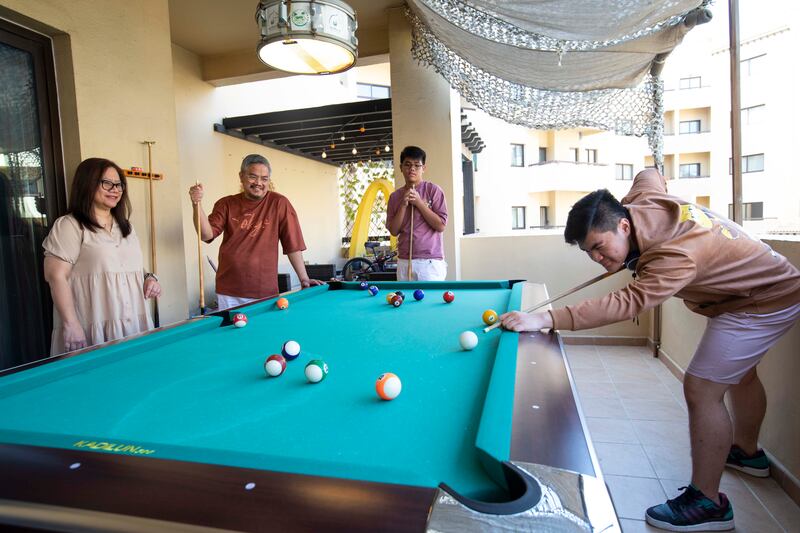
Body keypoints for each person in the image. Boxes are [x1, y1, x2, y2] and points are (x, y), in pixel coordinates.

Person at [500, 168, 800, 532]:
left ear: (623, 227)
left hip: (762, 299)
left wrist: (547, 318)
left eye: (599, 246)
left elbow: (627, 302)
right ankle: (748, 455)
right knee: (739, 374)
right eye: (588, 251)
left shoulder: (673, 255)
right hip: (757, 286)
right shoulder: (640, 202)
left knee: (702, 387)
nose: (596, 257)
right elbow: (650, 173)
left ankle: (709, 503)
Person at [43, 158, 160, 355]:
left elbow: (129, 267)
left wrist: (149, 278)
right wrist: (71, 324)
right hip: (92, 326)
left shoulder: (126, 227)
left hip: (133, 323)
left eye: (119, 184)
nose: (115, 189)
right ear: (87, 184)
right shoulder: (70, 225)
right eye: (107, 183)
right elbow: (55, 276)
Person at [189, 154, 322, 310]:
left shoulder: (279, 203)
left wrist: (304, 278)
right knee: (232, 334)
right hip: (229, 290)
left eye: (264, 179)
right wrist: (196, 204)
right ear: (241, 176)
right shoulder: (226, 203)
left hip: (264, 291)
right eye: (253, 177)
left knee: (264, 334)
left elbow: (292, 244)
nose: (259, 183)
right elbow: (206, 234)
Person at [386, 146, 448, 281]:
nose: (412, 169)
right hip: (404, 261)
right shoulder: (395, 197)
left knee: (430, 302)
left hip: (430, 262)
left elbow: (441, 226)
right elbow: (394, 231)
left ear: (423, 168)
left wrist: (419, 203)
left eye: (416, 165)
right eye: (407, 165)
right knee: (405, 300)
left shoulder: (433, 190)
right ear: (401, 167)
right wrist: (403, 205)